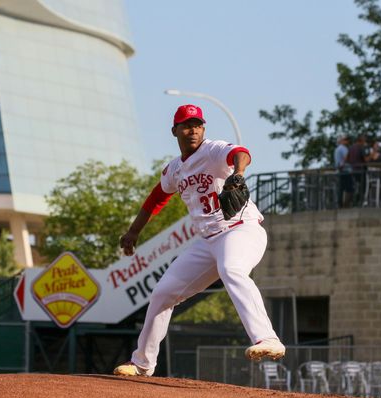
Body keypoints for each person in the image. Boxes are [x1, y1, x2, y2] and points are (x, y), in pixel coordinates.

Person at [113, 105, 285, 376]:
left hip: (241, 229)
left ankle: (267, 339)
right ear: (175, 131)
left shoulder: (212, 150)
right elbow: (157, 197)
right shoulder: (174, 169)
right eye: (185, 125)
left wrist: (238, 174)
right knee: (162, 294)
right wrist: (134, 231)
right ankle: (143, 363)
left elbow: (241, 153)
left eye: (197, 124)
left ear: (203, 129)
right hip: (208, 242)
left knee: (232, 269)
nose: (192, 129)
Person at [334, 134, 352, 208]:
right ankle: (345, 205)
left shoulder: (337, 149)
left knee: (340, 189)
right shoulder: (343, 148)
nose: (347, 141)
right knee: (350, 189)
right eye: (345, 140)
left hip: (339, 170)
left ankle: (340, 205)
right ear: (341, 141)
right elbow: (346, 157)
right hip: (345, 170)